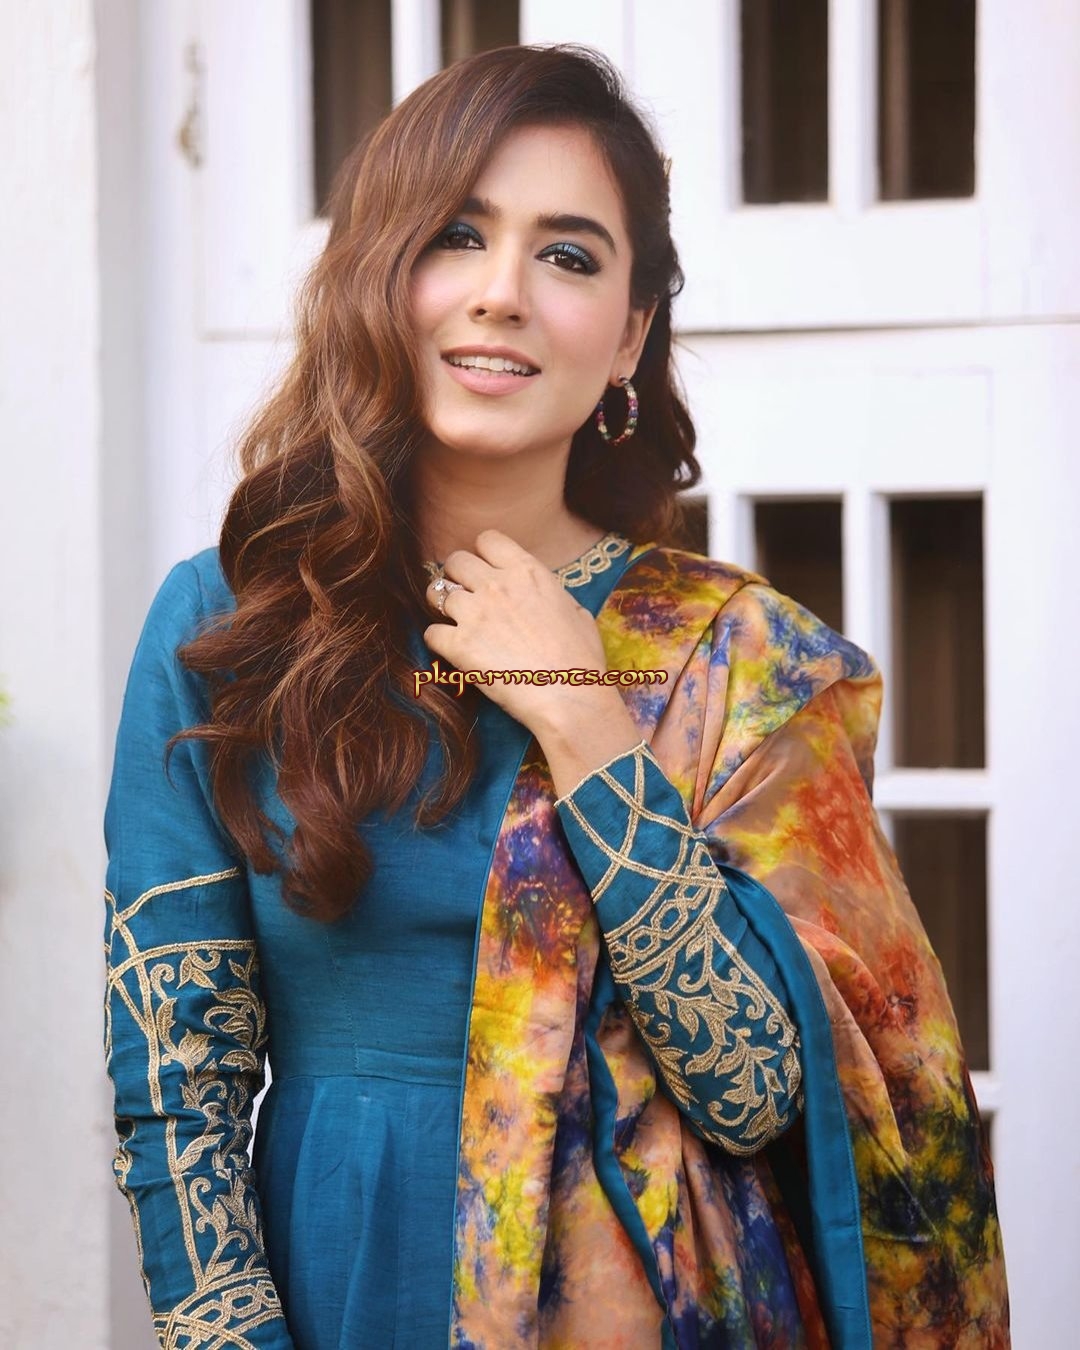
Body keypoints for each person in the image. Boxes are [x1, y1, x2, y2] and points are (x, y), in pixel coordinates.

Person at [103, 43, 1008, 1350]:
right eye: (458, 236)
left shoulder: (739, 655)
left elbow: (756, 1091)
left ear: (630, 332)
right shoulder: (231, 624)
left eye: (569, 256)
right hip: (344, 1282)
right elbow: (176, 1085)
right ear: (378, 275)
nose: (503, 294)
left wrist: (585, 717)